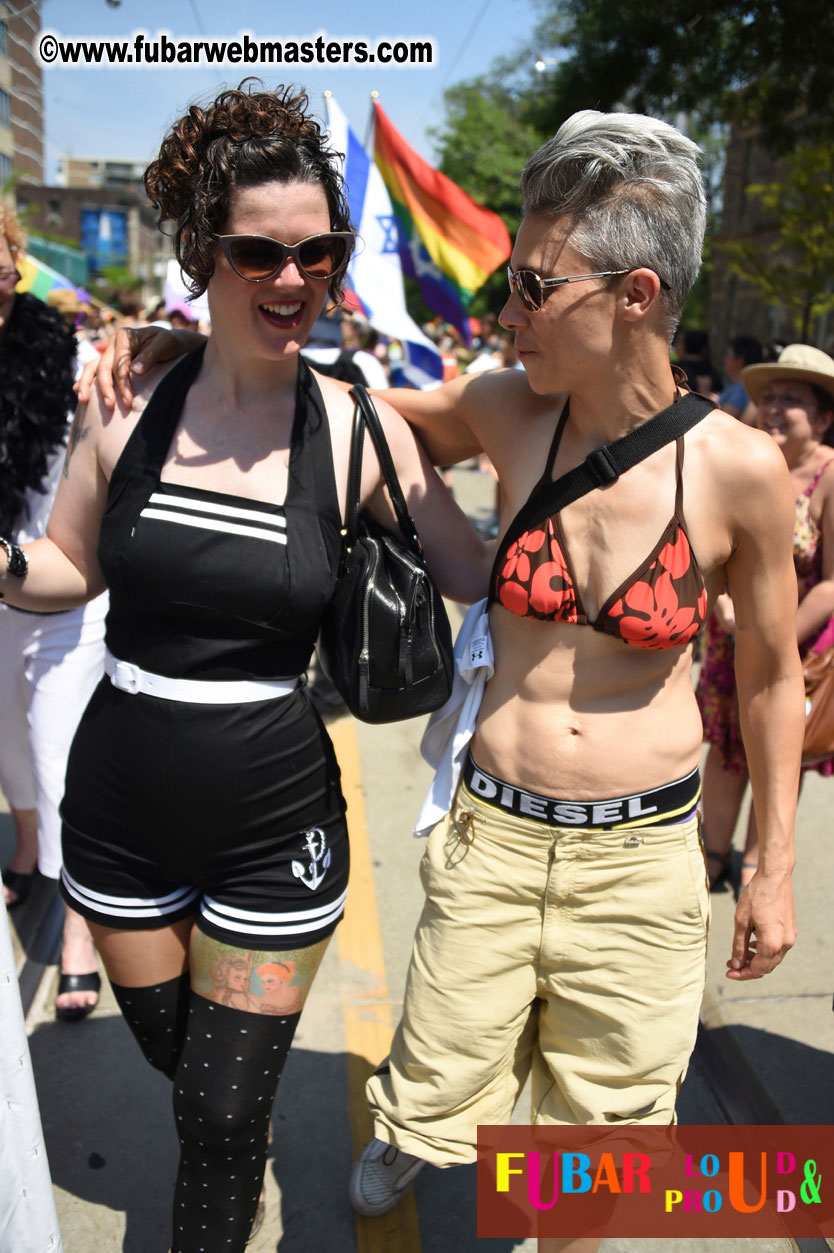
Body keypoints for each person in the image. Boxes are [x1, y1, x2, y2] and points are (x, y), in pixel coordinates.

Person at [81, 109, 803, 1253]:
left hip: (640, 859)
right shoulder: (502, 410)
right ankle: (413, 1131)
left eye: (532, 286)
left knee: (600, 1149)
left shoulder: (741, 469)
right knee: (436, 1078)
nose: (506, 311)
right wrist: (177, 347)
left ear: (636, 294)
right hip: (491, 841)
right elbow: (308, 399)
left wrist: (770, 867)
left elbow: (768, 680)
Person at [0, 83, 489, 1253]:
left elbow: (478, 568)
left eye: (318, 252)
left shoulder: (361, 429)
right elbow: (67, 564)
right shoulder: (126, 402)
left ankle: (229, 1175)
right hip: (118, 811)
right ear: (201, 253)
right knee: (184, 1065)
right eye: (259, 251)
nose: (292, 277)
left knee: (219, 1114)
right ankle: (234, 1139)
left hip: (279, 821)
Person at [0, 204, 106, 1020]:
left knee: (60, 754)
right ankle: (29, 846)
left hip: (65, 587)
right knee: (9, 745)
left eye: (2, 253)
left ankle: (78, 928)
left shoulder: (70, 354)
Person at [697, 343, 834, 891]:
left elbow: (831, 584)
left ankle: (759, 864)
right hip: (727, 634)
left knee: (779, 754)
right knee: (725, 746)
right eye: (770, 397)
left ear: (823, 418)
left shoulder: (830, 477)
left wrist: (769, 635)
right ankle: (710, 855)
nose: (774, 408)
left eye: (791, 400)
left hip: (792, 646)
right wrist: (721, 602)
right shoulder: (746, 463)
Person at [719, 334, 762, 419]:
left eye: (728, 354)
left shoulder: (743, 389)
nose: (724, 358)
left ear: (740, 360)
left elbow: (722, 418)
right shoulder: (737, 386)